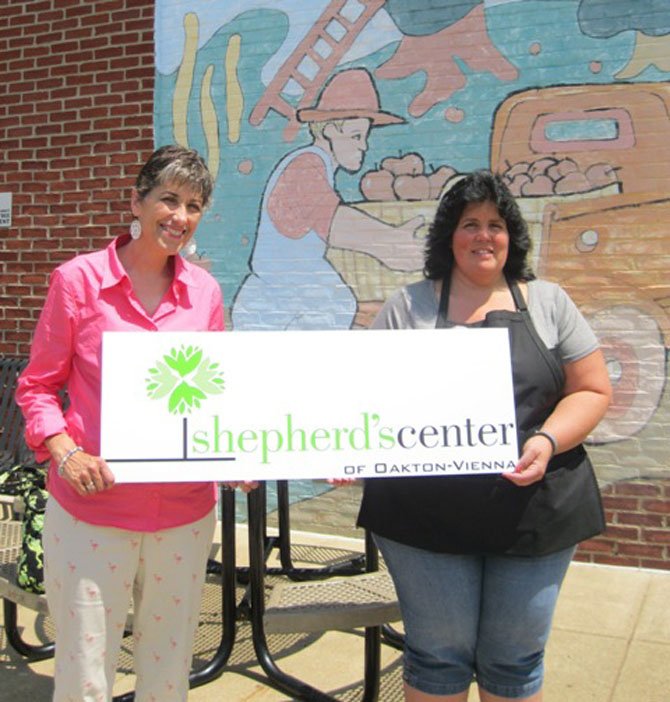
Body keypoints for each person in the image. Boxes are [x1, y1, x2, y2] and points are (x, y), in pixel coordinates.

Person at [356, 170, 612, 701]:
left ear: (511, 236)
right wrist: (352, 449)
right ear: (448, 235)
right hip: (423, 517)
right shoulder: (408, 307)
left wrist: (544, 441)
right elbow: (363, 398)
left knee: (515, 659)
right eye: (469, 223)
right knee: (436, 655)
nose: (483, 235)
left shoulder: (548, 302)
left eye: (495, 224)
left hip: (534, 511)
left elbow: (591, 390)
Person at [16, 145, 253, 701]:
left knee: (168, 669)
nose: (180, 216)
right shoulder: (77, 282)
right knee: (84, 672)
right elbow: (37, 386)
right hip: (94, 507)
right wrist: (64, 452)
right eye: (168, 199)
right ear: (137, 202)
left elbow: (214, 397)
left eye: (194, 205)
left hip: (184, 514)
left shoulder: (206, 294)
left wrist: (238, 454)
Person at [232, 68, 424, 331]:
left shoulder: (315, 167)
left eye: (365, 136)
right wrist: (391, 242)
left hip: (285, 307)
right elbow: (334, 220)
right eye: (357, 135)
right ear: (330, 130)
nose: (364, 146)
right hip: (275, 312)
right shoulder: (306, 166)